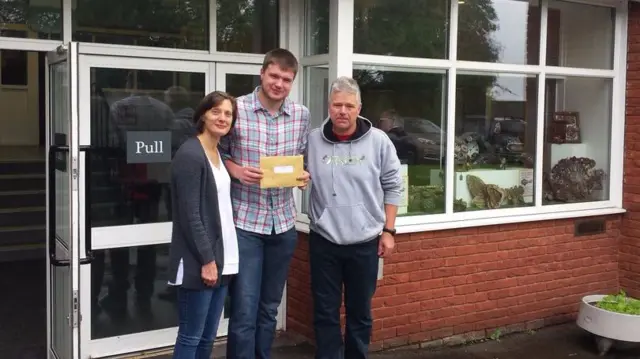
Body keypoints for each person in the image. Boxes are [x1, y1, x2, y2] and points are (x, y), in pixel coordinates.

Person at [220, 48, 310, 359]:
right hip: (246, 223)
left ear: (292, 81)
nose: (279, 84)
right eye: (274, 76)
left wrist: (303, 176)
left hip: (283, 224)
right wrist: (237, 171)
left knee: (269, 308)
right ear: (262, 73)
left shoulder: (301, 115)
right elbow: (217, 152)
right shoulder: (236, 109)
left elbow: (300, 159)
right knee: (244, 310)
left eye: (286, 79)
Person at [306, 77, 403, 359]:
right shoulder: (313, 140)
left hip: (365, 243)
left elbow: (393, 186)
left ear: (359, 107)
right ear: (329, 106)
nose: (343, 111)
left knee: (360, 314)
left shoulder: (379, 142)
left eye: (349, 105)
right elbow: (293, 170)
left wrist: (389, 230)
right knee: (325, 313)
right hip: (324, 241)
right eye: (337, 105)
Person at [168, 91, 240, 359]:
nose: (222, 118)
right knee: (191, 336)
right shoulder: (190, 154)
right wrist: (207, 260)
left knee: (208, 337)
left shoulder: (217, 152)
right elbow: (191, 215)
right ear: (202, 115)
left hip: (222, 260)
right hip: (200, 262)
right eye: (216, 111)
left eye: (228, 113)